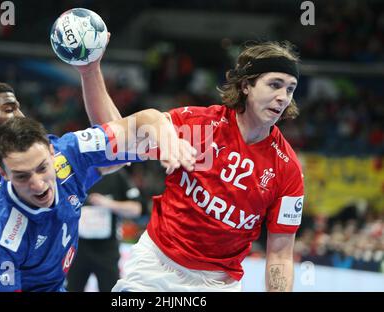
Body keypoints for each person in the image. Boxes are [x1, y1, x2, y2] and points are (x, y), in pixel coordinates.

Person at [111, 41, 305, 292]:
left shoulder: (286, 167)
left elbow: (280, 254)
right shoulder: (199, 127)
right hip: (155, 267)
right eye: (275, 84)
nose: (283, 97)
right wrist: (91, 72)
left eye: (290, 89)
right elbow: (115, 137)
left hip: (218, 284)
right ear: (246, 85)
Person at [0, 49, 123, 291]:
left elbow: (111, 160)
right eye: (9, 109)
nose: (21, 116)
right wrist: (90, 71)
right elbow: (114, 148)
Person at [0, 112, 196, 291]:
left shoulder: (70, 151)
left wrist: (169, 143)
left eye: (42, 168)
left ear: (52, 152)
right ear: (3, 174)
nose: (39, 184)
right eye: (22, 176)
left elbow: (146, 120)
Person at [66, 169, 143, 292]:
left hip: (107, 250)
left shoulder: (117, 175)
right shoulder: (75, 172)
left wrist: (109, 203)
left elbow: (136, 209)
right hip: (77, 248)